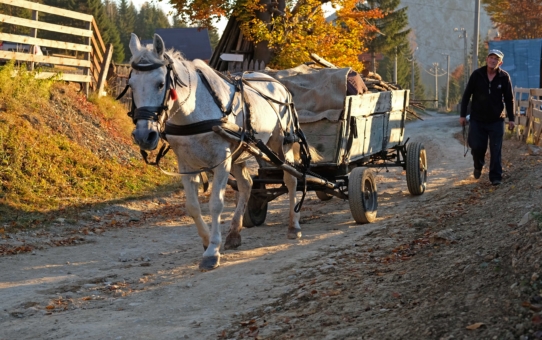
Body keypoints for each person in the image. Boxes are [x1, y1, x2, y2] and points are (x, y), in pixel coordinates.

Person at [459, 49, 514, 186]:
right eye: (491, 57)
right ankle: (478, 164)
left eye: (496, 59)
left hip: (496, 119)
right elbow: (466, 96)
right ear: (486, 59)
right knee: (476, 146)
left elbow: (509, 99)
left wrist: (511, 119)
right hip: (477, 119)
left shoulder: (504, 77)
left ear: (500, 62)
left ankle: (496, 177)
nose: (493, 60)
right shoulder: (477, 75)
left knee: (496, 149)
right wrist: (462, 115)